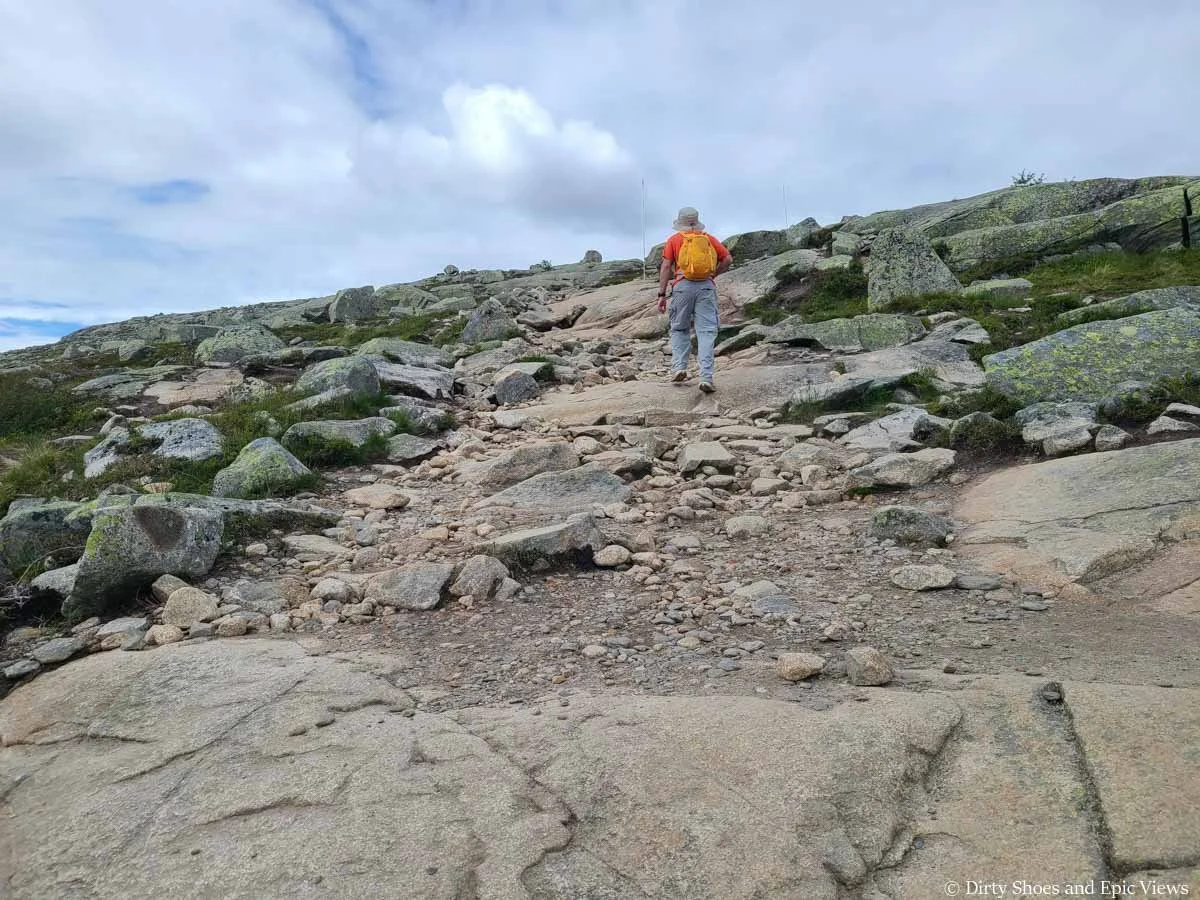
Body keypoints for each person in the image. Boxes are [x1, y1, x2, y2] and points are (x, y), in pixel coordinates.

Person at [657, 206, 732, 393]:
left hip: (682, 286)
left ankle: (679, 367)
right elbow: (728, 259)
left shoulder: (674, 240)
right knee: (706, 331)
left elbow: (666, 267)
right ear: (696, 222)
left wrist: (662, 294)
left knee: (679, 328)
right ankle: (706, 377)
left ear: (680, 222)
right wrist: (714, 274)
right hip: (706, 286)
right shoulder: (708, 239)